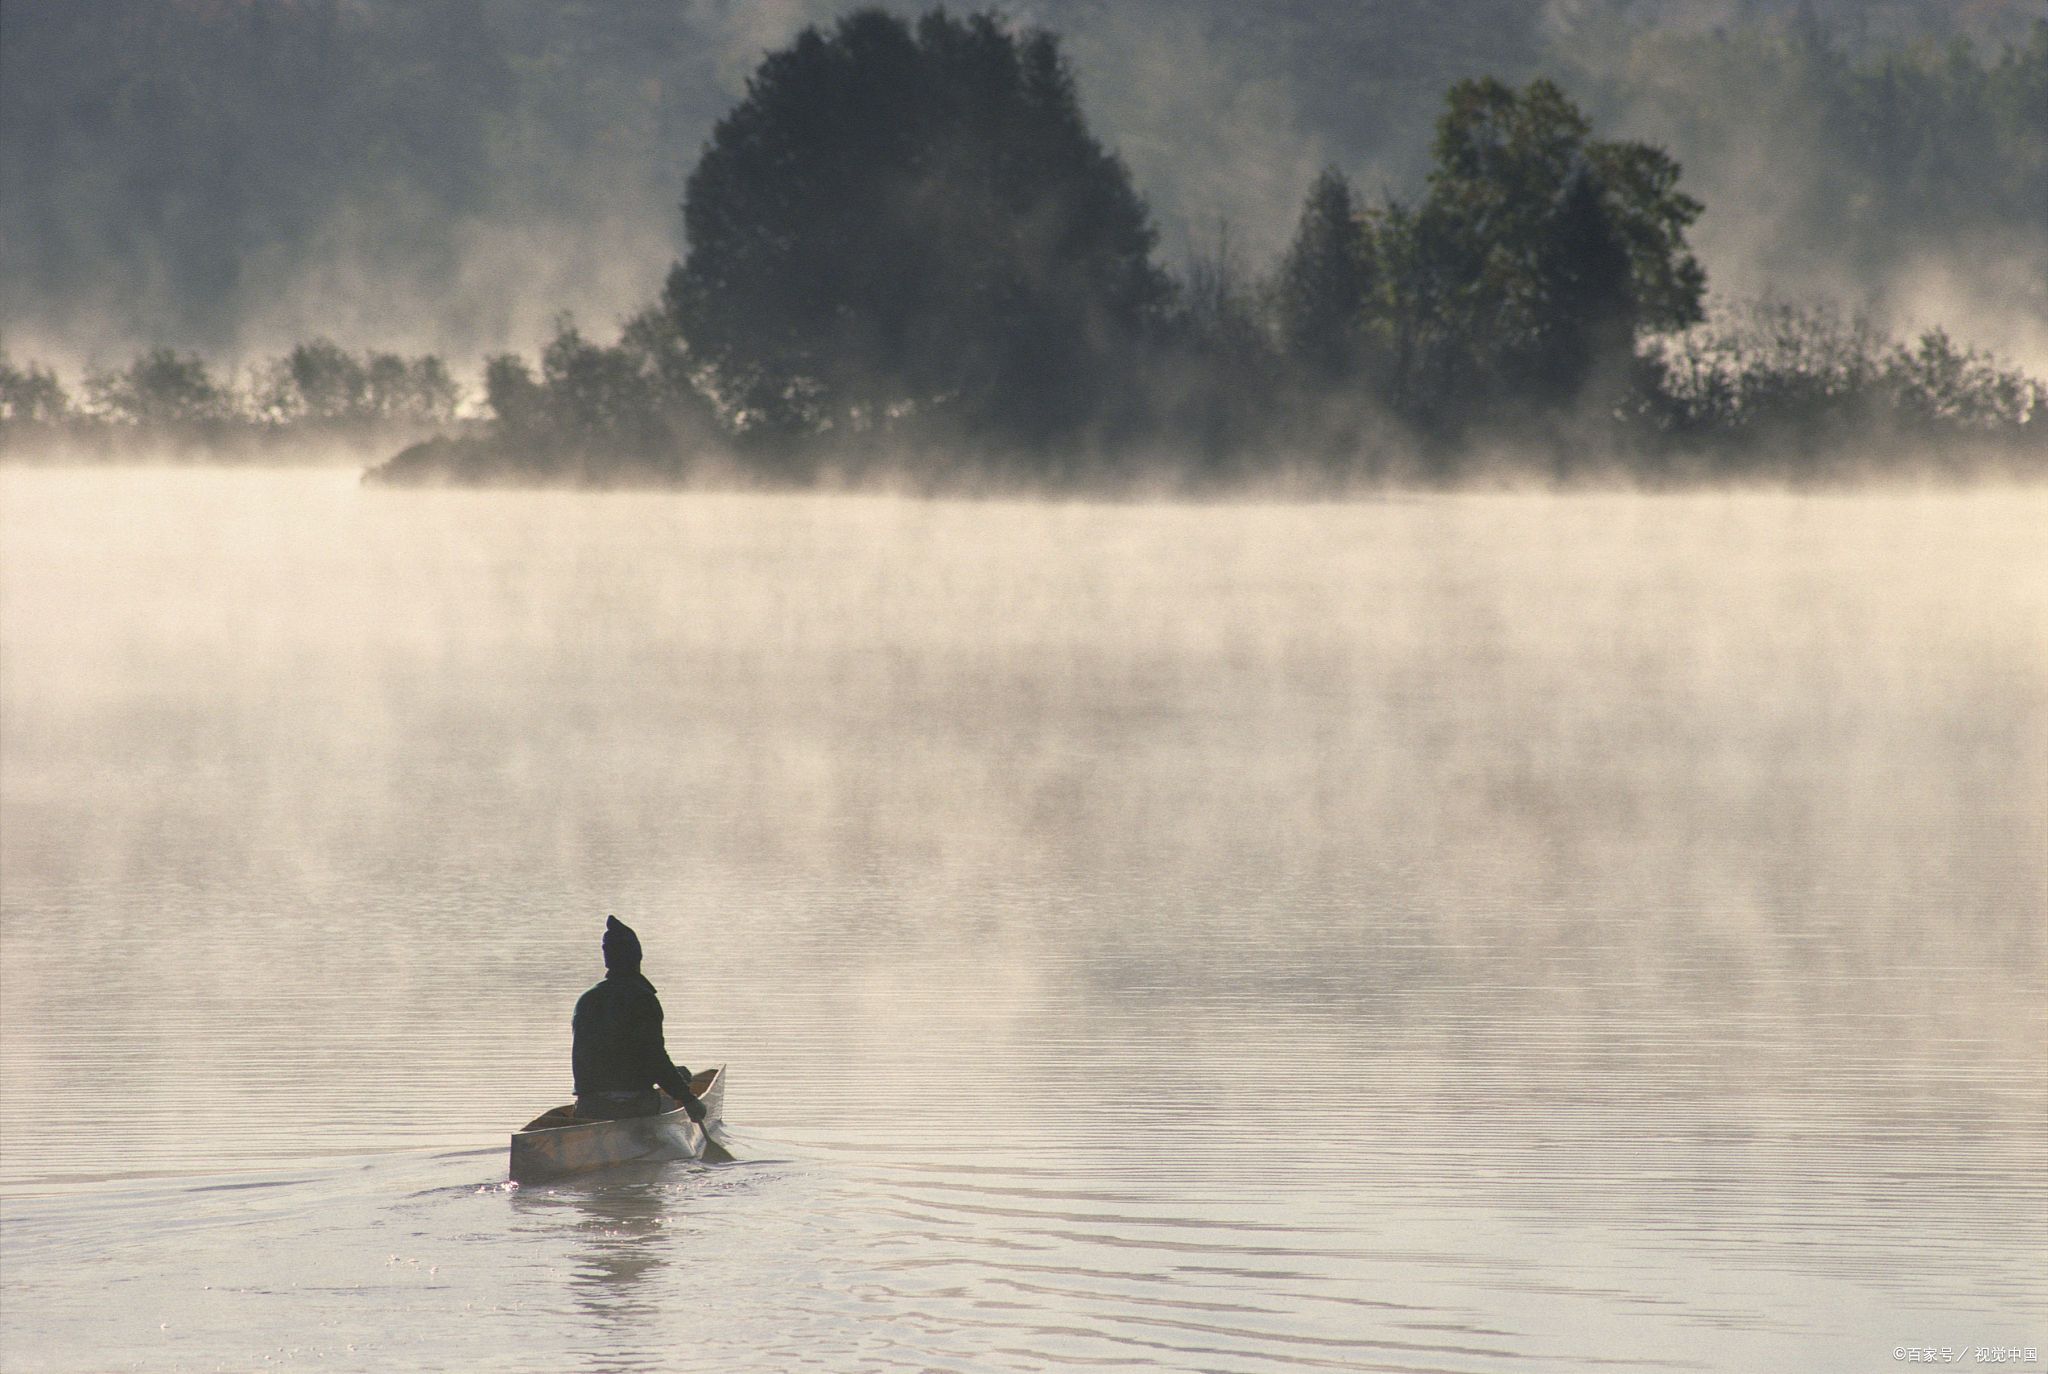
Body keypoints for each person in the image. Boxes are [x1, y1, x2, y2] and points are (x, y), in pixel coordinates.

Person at [571, 915, 707, 1122]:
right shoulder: (642, 999)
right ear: (637, 957)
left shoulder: (587, 999)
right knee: (670, 1103)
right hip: (634, 1106)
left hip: (590, 1106)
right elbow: (653, 1056)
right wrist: (687, 1098)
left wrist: (672, 1075)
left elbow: (604, 1057)